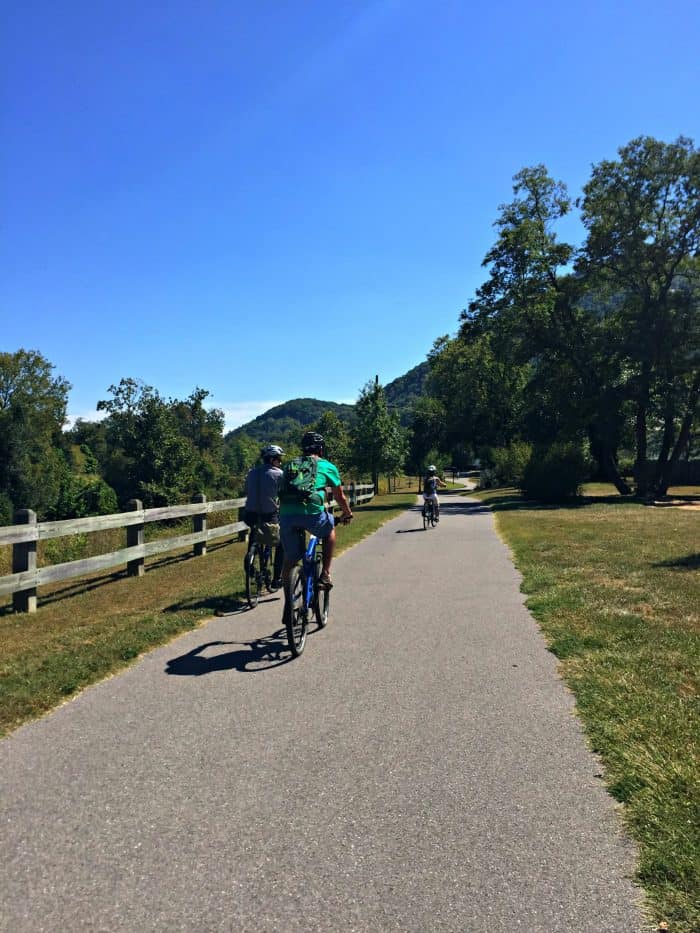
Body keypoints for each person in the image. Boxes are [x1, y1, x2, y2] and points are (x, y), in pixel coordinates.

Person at [279, 431, 352, 590]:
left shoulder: (290, 465)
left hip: (286, 515)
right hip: (312, 513)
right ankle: (325, 574)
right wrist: (347, 513)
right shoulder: (327, 466)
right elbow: (340, 497)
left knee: (290, 558)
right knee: (329, 529)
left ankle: (288, 604)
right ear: (320, 449)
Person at [243, 444, 284, 589]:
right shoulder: (279, 474)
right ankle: (277, 579)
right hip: (269, 516)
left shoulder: (251, 473)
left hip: (250, 515)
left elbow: (247, 490)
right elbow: (283, 493)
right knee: (281, 544)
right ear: (273, 459)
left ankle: (250, 559)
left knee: (255, 535)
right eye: (279, 459)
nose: (280, 462)